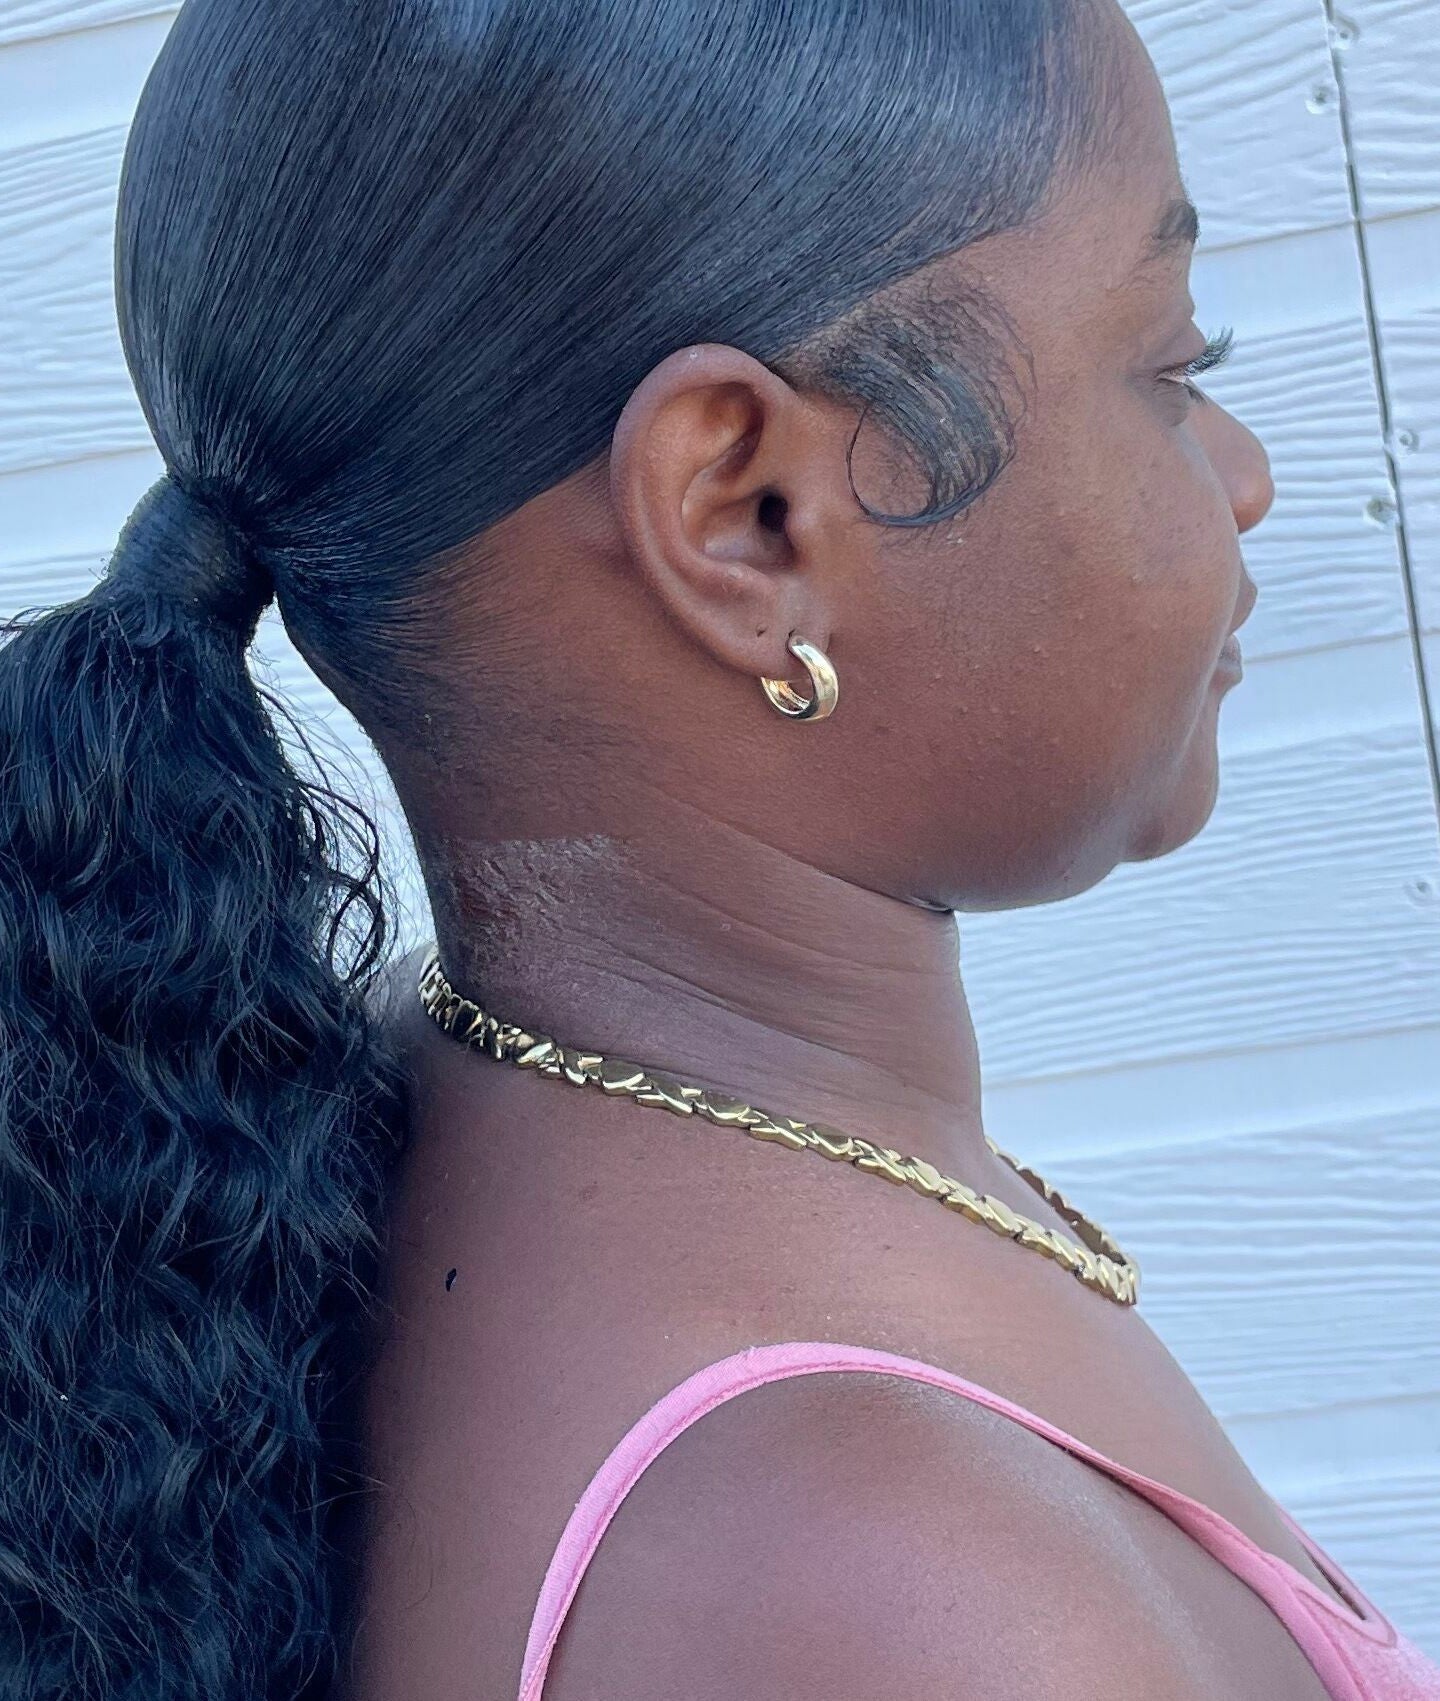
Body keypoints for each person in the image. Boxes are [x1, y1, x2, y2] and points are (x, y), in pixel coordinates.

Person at [1, 0, 1435, 1697]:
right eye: (1176, 367)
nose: (1246, 476)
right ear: (746, 518)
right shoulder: (913, 1603)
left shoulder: (400, 1127)